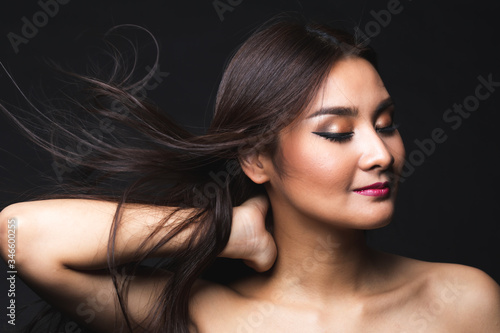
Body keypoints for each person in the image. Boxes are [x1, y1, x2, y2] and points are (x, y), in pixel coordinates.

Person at [1, 15, 499, 333]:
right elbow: (19, 234)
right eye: (336, 132)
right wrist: (225, 231)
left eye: (386, 124)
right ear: (257, 159)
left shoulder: (463, 303)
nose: (381, 153)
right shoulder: (205, 314)